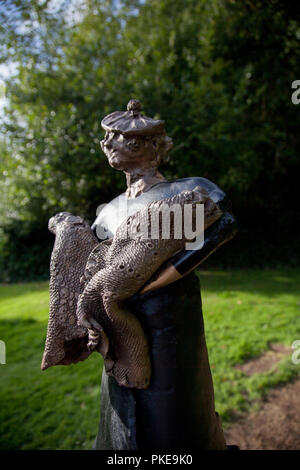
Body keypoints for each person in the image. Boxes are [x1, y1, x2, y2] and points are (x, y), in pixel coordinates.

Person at [89, 99, 237, 450]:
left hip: (171, 322)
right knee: (122, 419)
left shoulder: (184, 192)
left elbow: (223, 226)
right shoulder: (108, 212)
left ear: (152, 146)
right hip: (120, 328)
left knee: (176, 412)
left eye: (121, 137)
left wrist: (162, 278)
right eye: (108, 137)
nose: (109, 144)